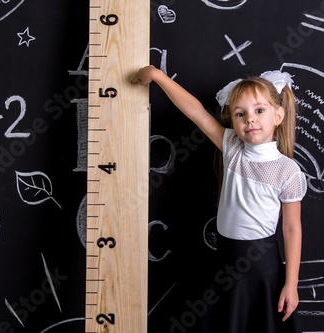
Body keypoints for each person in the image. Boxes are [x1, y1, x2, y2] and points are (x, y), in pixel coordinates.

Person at [131, 65, 307, 333]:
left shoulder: (287, 170)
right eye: (241, 113)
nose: (250, 119)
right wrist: (157, 76)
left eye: (259, 110)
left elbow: (292, 228)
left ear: (278, 115)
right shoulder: (232, 148)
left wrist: (291, 284)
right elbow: (196, 111)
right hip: (224, 261)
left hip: (262, 268)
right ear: (233, 121)